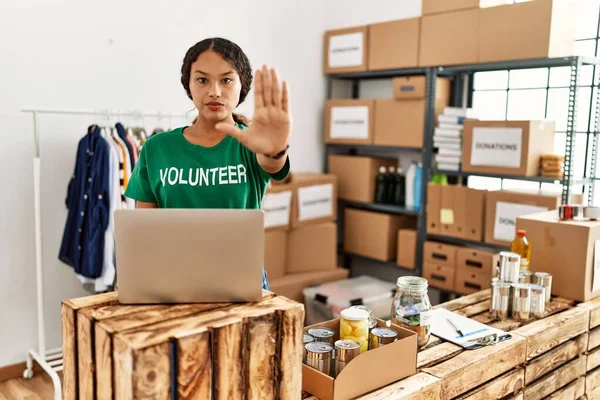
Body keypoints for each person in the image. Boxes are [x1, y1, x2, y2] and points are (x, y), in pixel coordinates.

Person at [124, 38, 292, 290]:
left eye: (226, 80)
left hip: (241, 282)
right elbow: (145, 234)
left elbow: (272, 164)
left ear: (242, 85)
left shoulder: (252, 144)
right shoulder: (156, 148)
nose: (214, 91)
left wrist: (274, 149)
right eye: (202, 80)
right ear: (188, 85)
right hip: (173, 282)